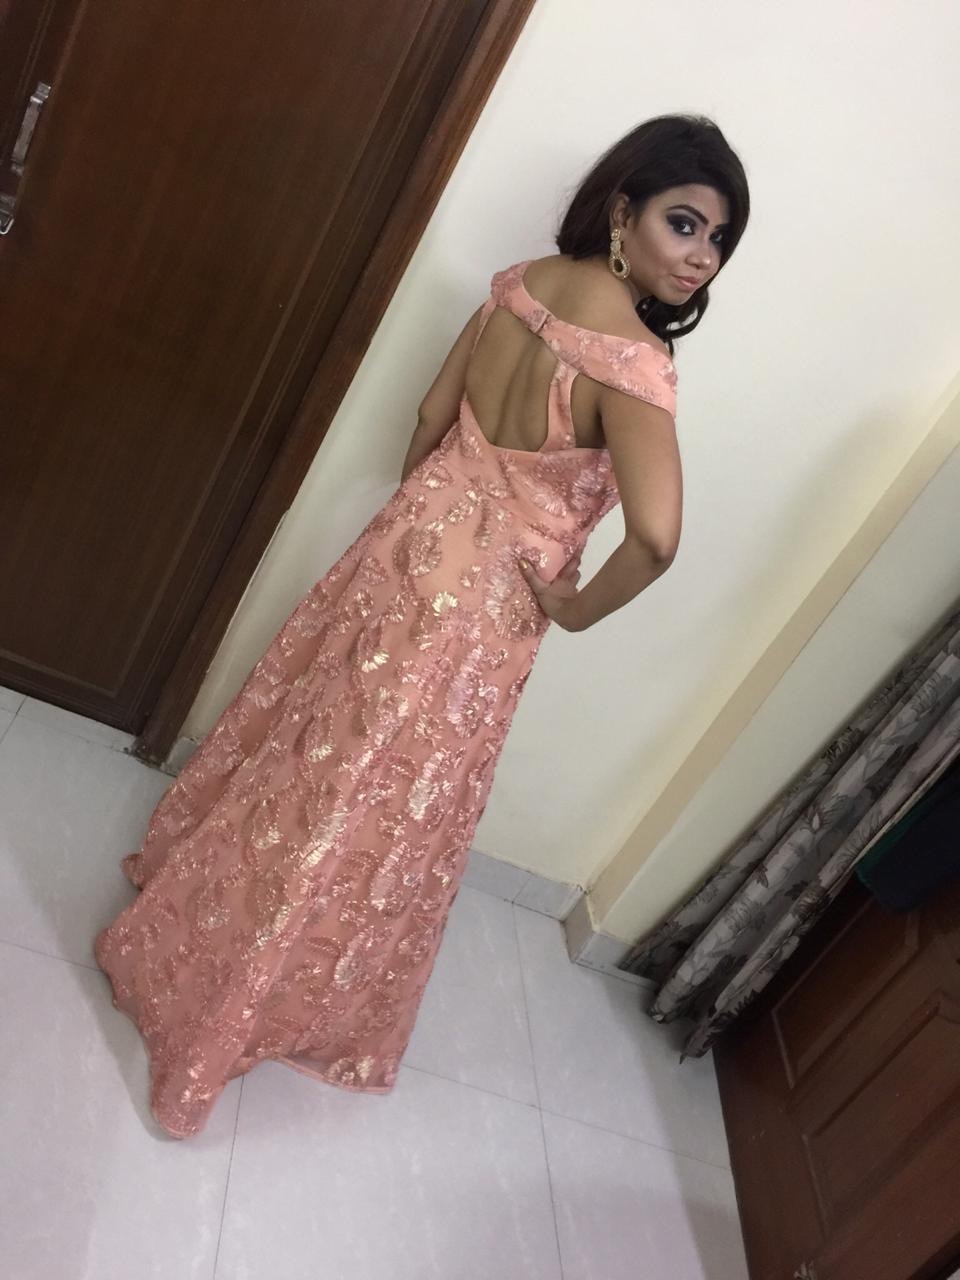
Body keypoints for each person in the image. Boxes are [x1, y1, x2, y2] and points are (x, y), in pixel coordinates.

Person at [94, 112, 750, 1139]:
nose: (701, 256)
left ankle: (200, 918)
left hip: (403, 550)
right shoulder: (633, 367)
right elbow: (656, 539)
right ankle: (232, 1004)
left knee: (315, 749)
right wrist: (571, 610)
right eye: (684, 223)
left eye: (717, 238)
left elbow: (430, 417)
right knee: (370, 801)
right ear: (624, 212)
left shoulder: (520, 284)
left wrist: (425, 520)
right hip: (479, 616)